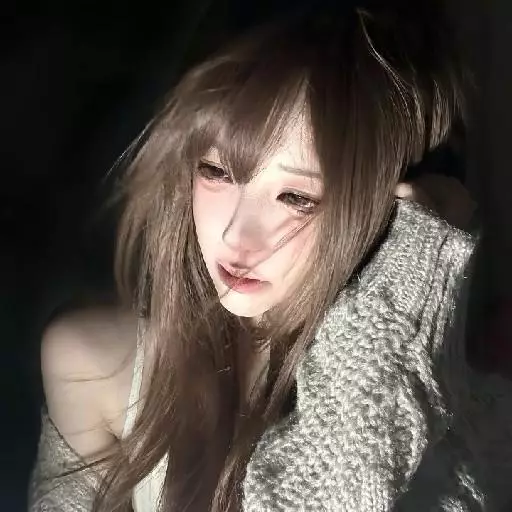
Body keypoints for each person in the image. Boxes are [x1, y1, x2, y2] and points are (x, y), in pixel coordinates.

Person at [28, 1, 512, 511]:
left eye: (296, 197)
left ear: (396, 209)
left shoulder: (465, 431)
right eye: (216, 172)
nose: (237, 235)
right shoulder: (93, 363)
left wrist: (408, 274)